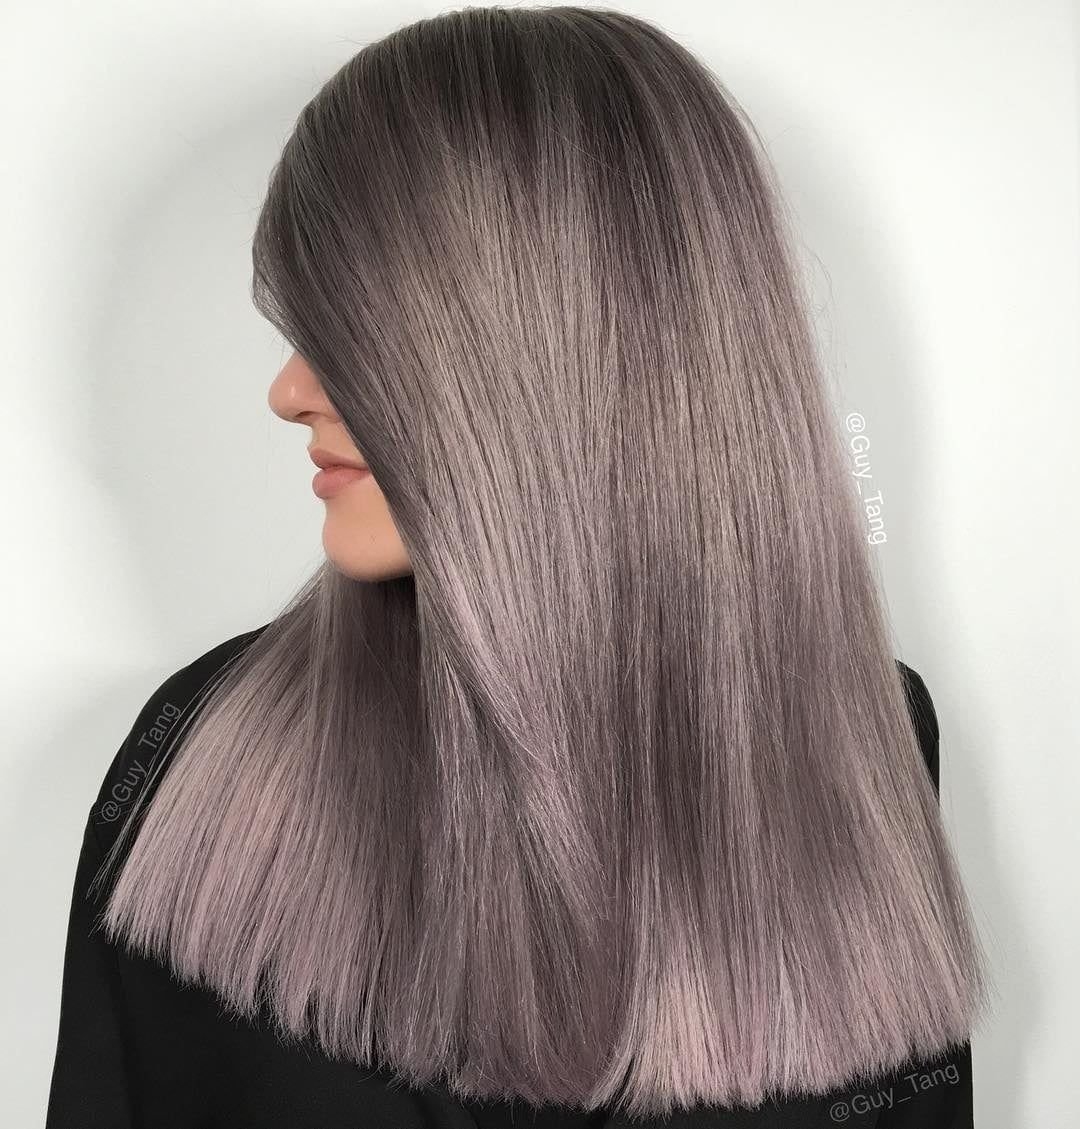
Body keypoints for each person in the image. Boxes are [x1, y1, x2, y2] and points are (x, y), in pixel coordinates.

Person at [46, 5, 985, 1126]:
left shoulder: (857, 737)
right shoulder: (194, 758)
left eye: (352, 333)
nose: (287, 391)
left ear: (542, 357)